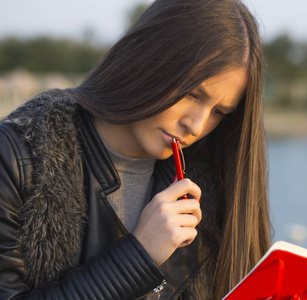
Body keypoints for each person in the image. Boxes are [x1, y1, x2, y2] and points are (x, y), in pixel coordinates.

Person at [0, 0, 271, 299]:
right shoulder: (20, 155)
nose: (196, 125)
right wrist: (138, 257)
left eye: (219, 112)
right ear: (148, 57)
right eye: (193, 93)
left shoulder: (213, 181)